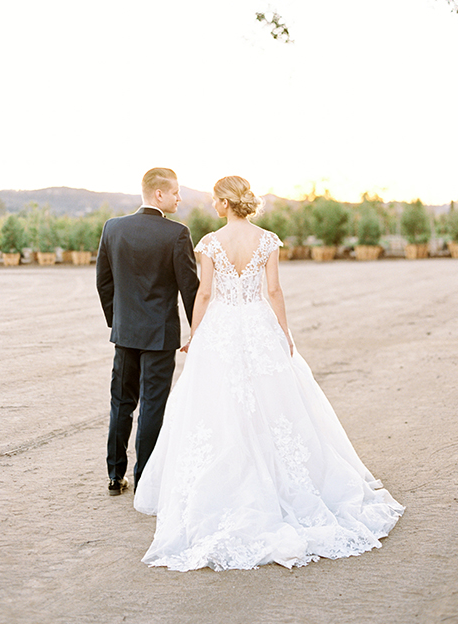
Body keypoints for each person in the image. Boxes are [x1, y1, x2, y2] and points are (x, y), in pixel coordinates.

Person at [134, 175, 404, 571]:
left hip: (223, 329)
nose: (213, 206)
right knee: (274, 404)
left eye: (215, 200)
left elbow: (204, 294)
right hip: (258, 325)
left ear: (225, 204)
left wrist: (196, 335)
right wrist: (283, 333)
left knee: (217, 406)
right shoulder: (268, 240)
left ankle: (226, 486)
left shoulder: (210, 243)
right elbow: (274, 291)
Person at [96, 168, 199, 496]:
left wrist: (119, 321)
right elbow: (190, 289)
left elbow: (103, 280)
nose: (178, 198)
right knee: (153, 405)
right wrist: (199, 328)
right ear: (159, 194)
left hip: (125, 334)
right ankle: (145, 481)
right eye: (175, 192)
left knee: (121, 402)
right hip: (159, 336)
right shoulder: (177, 234)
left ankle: (115, 476)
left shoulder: (113, 228)